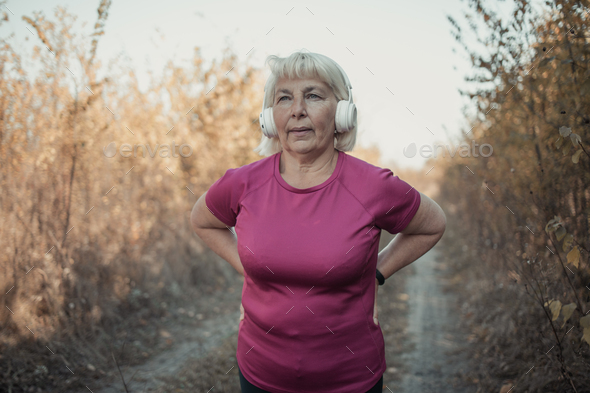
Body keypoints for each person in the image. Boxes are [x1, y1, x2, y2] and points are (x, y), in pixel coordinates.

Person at [190, 50, 446, 393]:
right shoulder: (242, 183)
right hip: (259, 374)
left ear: (342, 112)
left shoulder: (373, 187)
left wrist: (377, 271)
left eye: (312, 95)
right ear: (270, 118)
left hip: (350, 379)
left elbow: (431, 225)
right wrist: (248, 265)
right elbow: (203, 221)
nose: (297, 109)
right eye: (284, 98)